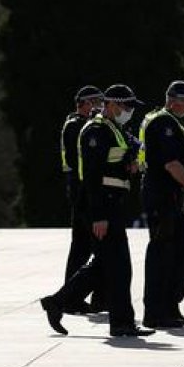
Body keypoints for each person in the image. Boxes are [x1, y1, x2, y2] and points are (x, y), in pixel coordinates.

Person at [41, 84, 153, 337]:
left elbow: (115, 163)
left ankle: (57, 302)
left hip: (111, 203)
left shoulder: (115, 130)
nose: (129, 111)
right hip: (100, 205)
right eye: (126, 105)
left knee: (105, 265)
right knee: (119, 266)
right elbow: (91, 177)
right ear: (111, 105)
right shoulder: (95, 131)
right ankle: (121, 323)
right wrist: (98, 215)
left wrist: (130, 164)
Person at [139, 80, 184, 328]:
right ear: (171, 99)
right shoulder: (163, 123)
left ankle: (170, 306)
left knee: (182, 250)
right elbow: (171, 164)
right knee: (162, 253)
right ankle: (155, 312)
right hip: (161, 195)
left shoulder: (170, 122)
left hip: (170, 196)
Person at [59, 85, 104, 314]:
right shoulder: (76, 125)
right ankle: (70, 297)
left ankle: (76, 296)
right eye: (96, 102)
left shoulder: (82, 125)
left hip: (84, 190)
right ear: (85, 103)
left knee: (84, 246)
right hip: (81, 191)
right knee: (83, 247)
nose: (100, 106)